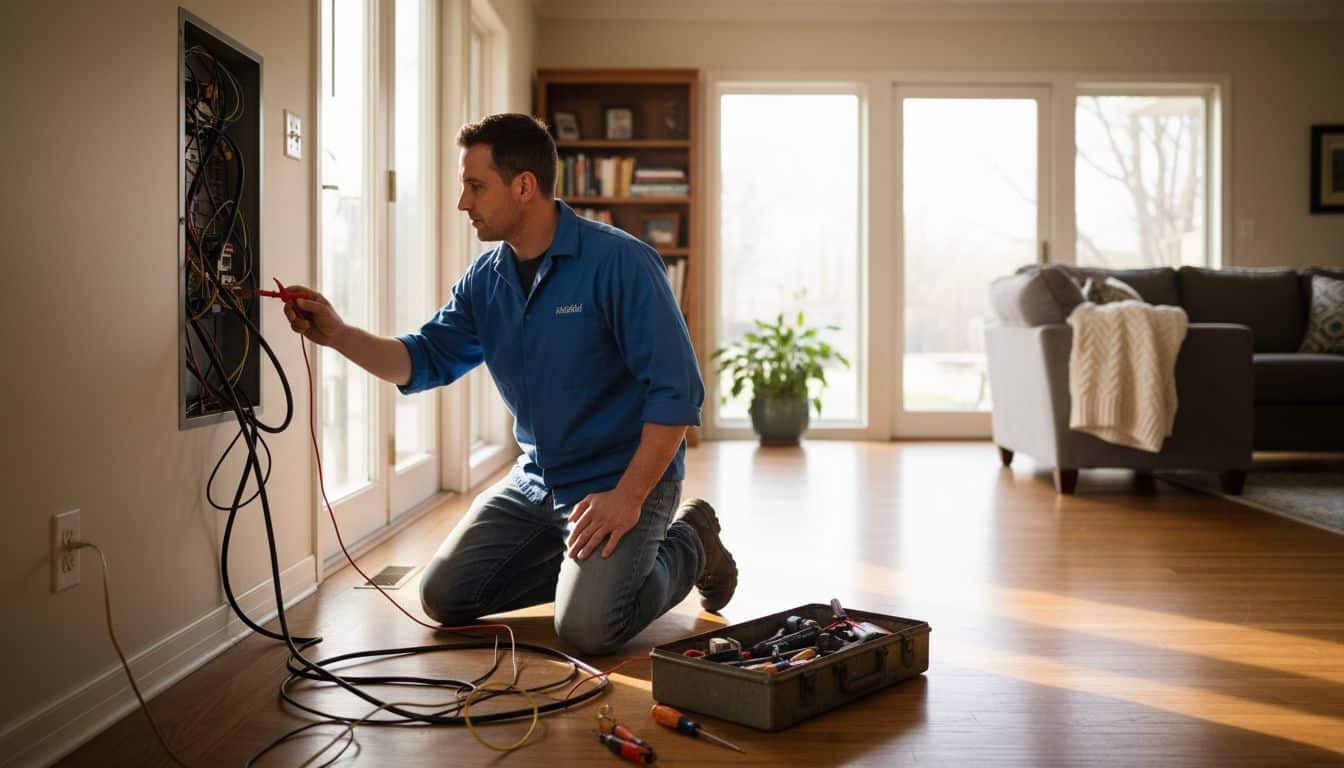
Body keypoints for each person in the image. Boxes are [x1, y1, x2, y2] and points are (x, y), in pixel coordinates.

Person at [283, 113, 737, 655]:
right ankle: (586, 574)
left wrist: (629, 497)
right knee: (442, 597)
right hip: (536, 482)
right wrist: (336, 334)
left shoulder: (621, 262)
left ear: (524, 186)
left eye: (475, 186)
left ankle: (692, 540)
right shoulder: (486, 279)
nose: (463, 203)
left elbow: (677, 394)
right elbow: (421, 359)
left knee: (588, 630)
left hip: (622, 480)